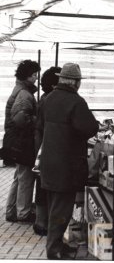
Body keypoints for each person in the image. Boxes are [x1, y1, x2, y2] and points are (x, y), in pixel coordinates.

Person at [37, 63, 98, 260]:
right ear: (75, 82)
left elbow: (39, 126)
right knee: (61, 210)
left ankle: (57, 246)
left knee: (54, 206)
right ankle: (53, 250)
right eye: (79, 81)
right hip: (66, 164)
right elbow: (89, 128)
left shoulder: (47, 99)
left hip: (49, 162)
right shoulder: (76, 101)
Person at [4, 59, 41, 222]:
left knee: (19, 176)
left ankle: (12, 211)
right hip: (23, 141)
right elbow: (20, 119)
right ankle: (23, 213)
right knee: (26, 177)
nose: (36, 79)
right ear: (27, 76)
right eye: (34, 75)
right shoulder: (24, 94)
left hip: (16, 141)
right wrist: (36, 120)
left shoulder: (19, 89)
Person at [33, 66, 62, 236]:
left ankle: (41, 221)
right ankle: (42, 223)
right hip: (45, 147)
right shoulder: (50, 100)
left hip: (42, 146)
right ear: (54, 85)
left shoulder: (45, 98)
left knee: (42, 185)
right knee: (44, 185)